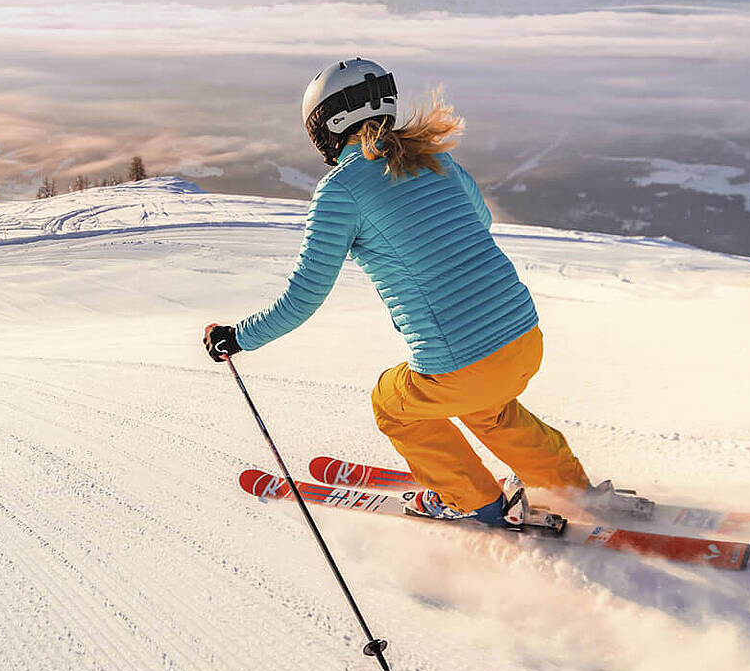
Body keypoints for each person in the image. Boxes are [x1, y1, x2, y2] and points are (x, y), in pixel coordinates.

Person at [204, 58, 590, 527]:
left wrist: (238, 337)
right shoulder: (435, 158)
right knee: (488, 409)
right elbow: (480, 222)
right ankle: (568, 486)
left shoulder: (340, 191)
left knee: (392, 405)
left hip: (462, 364)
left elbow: (303, 297)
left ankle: (471, 500)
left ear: (325, 126)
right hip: (525, 339)